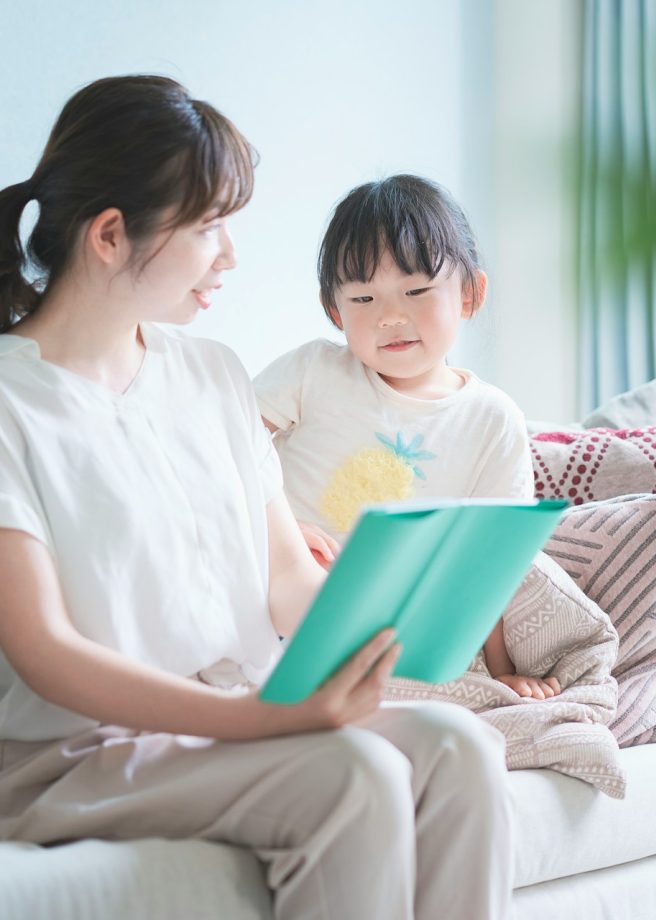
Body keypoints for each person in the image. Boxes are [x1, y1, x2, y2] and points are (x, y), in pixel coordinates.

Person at [0, 76, 513, 920]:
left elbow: (285, 582)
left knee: (462, 748)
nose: (230, 255)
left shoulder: (211, 374)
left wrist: (389, 619)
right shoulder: (15, 403)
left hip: (236, 709)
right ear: (109, 235)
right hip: (76, 755)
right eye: (208, 227)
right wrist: (260, 723)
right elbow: (44, 650)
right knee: (356, 775)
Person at [253, 174, 560, 701]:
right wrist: (277, 524)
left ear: (469, 294)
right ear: (335, 312)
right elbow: (222, 447)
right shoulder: (313, 371)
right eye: (364, 297)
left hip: (396, 637)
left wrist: (501, 670)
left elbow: (488, 560)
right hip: (280, 605)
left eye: (416, 291)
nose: (390, 316)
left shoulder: (491, 418)